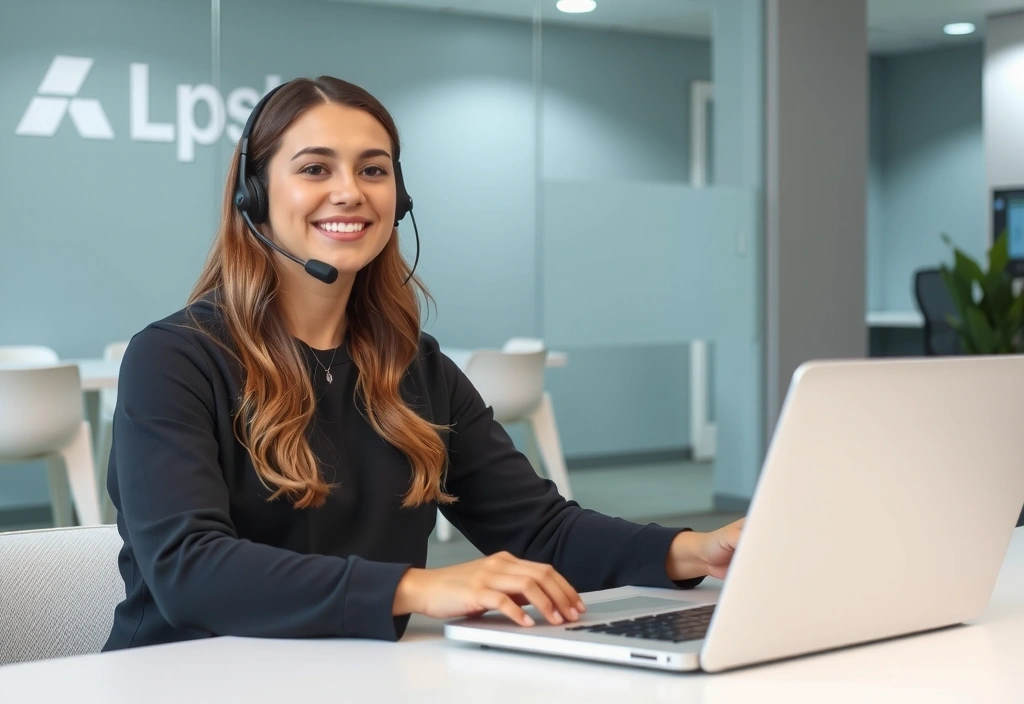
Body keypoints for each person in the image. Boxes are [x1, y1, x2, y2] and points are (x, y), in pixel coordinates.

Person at [102, 75, 744, 651]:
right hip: (186, 675)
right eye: (316, 169)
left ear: (399, 198)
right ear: (254, 195)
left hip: (352, 676)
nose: (349, 192)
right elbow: (189, 568)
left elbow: (538, 529)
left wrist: (696, 550)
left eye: (373, 170)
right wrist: (413, 589)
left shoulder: (414, 367)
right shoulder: (175, 359)